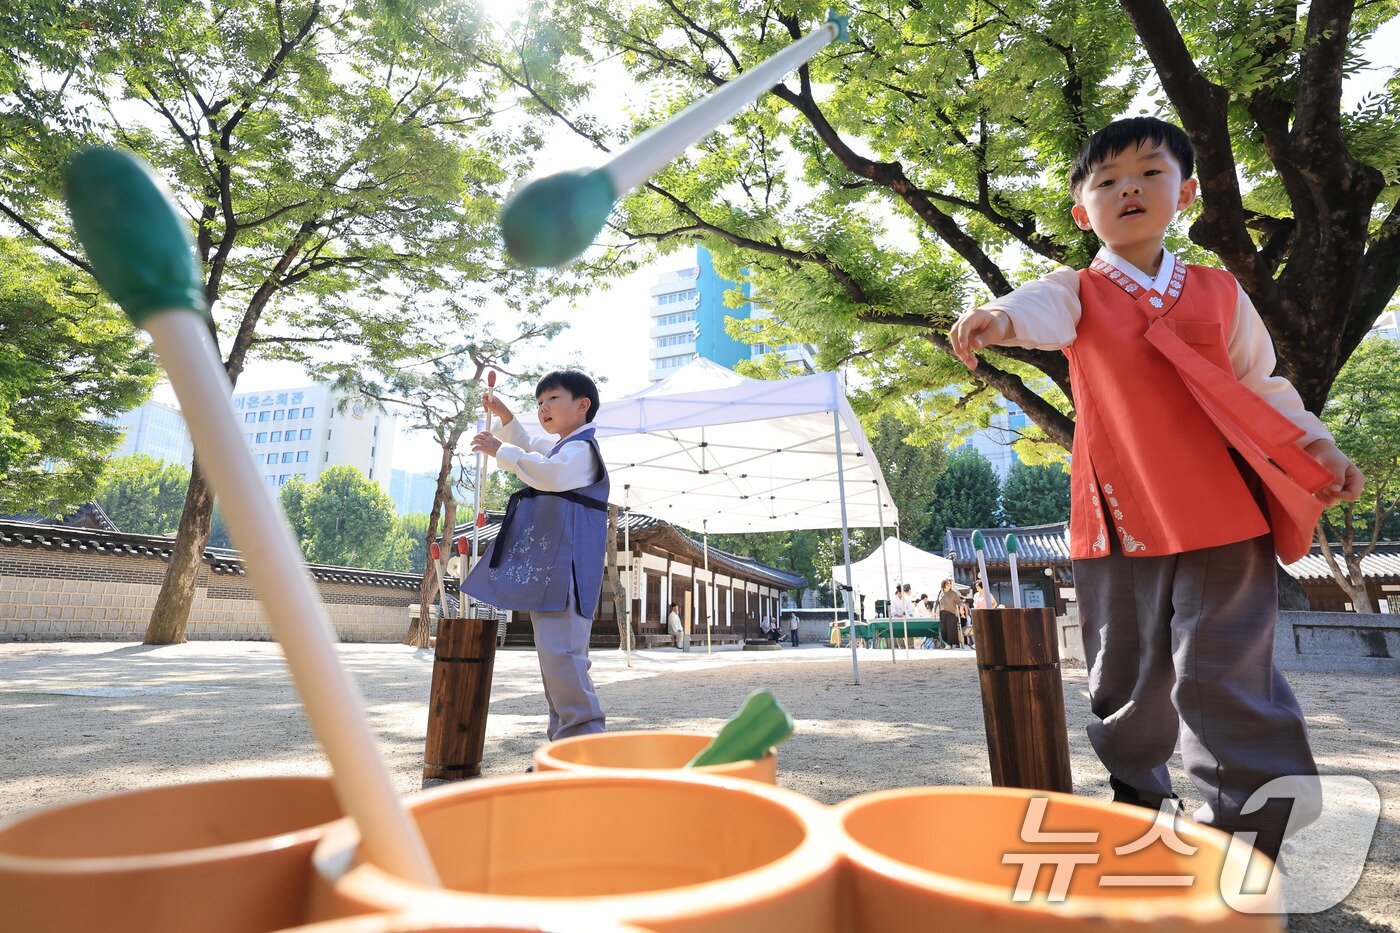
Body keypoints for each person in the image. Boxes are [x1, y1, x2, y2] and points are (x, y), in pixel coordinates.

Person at [948, 116, 1364, 860]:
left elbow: (1262, 384)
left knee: (1224, 664)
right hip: (1120, 516)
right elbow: (1038, 307)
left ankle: (1253, 822)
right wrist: (1000, 317)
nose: (1128, 188)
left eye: (1148, 172)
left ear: (1187, 192)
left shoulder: (1219, 290)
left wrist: (1318, 445)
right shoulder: (1076, 290)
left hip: (1223, 512)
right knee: (1126, 670)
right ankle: (1139, 789)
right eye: (1106, 181)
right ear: (1083, 212)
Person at [465, 370, 610, 741]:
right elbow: (532, 447)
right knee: (553, 659)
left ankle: (584, 741)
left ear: (582, 405)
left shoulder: (582, 450)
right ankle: (564, 742)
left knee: (562, 656)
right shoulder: (565, 447)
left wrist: (501, 449)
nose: (544, 407)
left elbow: (548, 475)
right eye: (540, 402)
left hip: (569, 569)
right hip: (552, 569)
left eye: (553, 399)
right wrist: (507, 419)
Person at [934, 579, 964, 649]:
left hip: (951, 613)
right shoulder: (940, 593)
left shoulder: (953, 593)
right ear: (943, 584)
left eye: (950, 584)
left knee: (950, 629)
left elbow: (959, 602)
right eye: (947, 584)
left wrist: (961, 608)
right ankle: (948, 643)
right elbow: (936, 602)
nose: (949, 585)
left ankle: (950, 644)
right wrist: (934, 611)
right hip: (942, 613)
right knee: (943, 629)